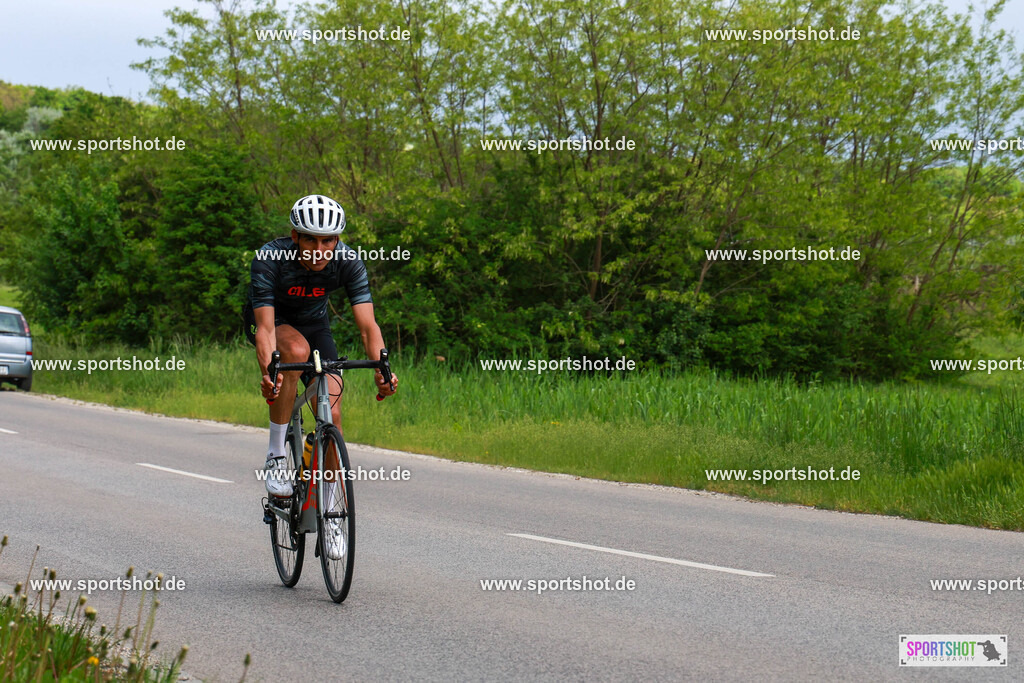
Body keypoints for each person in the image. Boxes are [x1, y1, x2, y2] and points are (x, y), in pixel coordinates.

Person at [243, 194, 398, 556]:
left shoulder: (347, 261)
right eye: (310, 239)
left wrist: (383, 369)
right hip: (274, 323)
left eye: (327, 240)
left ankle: (330, 513)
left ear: (337, 240)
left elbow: (367, 326)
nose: (319, 248)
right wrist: (270, 371)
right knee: (294, 354)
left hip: (315, 326)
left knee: (334, 411)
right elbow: (264, 329)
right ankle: (275, 456)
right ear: (294, 236)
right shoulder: (270, 258)